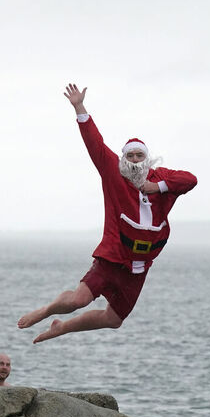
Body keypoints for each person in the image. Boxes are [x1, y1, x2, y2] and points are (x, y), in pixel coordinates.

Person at [18, 84, 197, 343]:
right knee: (79, 300)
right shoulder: (115, 173)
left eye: (139, 156)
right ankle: (46, 311)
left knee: (114, 320)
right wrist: (79, 107)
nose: (134, 160)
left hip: (138, 268)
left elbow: (191, 179)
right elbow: (95, 144)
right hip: (112, 258)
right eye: (130, 156)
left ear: (147, 159)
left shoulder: (162, 179)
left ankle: (62, 328)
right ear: (124, 159)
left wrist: (156, 187)